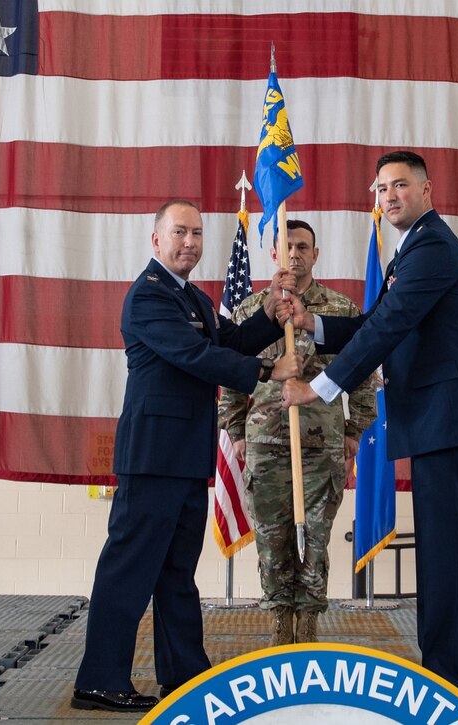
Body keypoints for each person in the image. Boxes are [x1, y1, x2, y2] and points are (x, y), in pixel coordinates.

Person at [281, 151, 458, 704]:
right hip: (436, 420)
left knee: (446, 553)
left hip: (447, 419)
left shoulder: (431, 247)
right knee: (438, 549)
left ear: (428, 190)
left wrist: (320, 387)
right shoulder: (411, 250)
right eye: (381, 189)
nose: (389, 197)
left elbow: (391, 325)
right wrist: (314, 322)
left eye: (400, 185)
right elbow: (375, 321)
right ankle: (446, 672)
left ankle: (455, 684)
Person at [72, 199, 301, 713]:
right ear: (156, 240)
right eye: (179, 233)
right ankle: (99, 680)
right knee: (128, 571)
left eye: (197, 234)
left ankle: (185, 676)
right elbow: (196, 357)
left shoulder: (193, 298)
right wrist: (269, 373)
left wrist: (267, 313)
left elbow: (232, 340)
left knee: (177, 573)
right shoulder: (149, 297)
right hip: (153, 458)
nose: (190, 243)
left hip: (184, 458)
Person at [218, 219, 377, 646]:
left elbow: (363, 375)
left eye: (303, 246)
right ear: (273, 254)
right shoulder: (251, 310)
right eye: (286, 246)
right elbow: (231, 376)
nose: (295, 253)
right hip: (265, 445)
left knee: (317, 540)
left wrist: (354, 431)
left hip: (321, 445)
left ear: (316, 254)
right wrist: (235, 432)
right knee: (273, 540)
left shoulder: (339, 310)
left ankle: (308, 620)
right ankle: (278, 620)